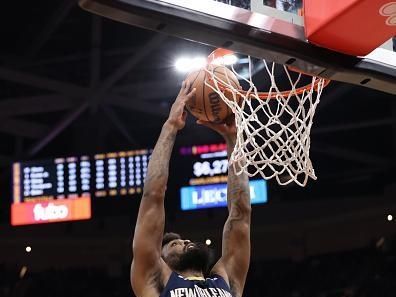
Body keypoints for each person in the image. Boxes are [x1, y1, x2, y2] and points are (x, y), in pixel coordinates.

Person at [130, 80, 251, 297]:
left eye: (181, 240)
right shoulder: (157, 280)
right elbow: (153, 195)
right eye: (175, 244)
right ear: (162, 260)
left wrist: (233, 140)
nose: (185, 241)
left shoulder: (225, 279)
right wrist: (170, 126)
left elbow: (240, 215)